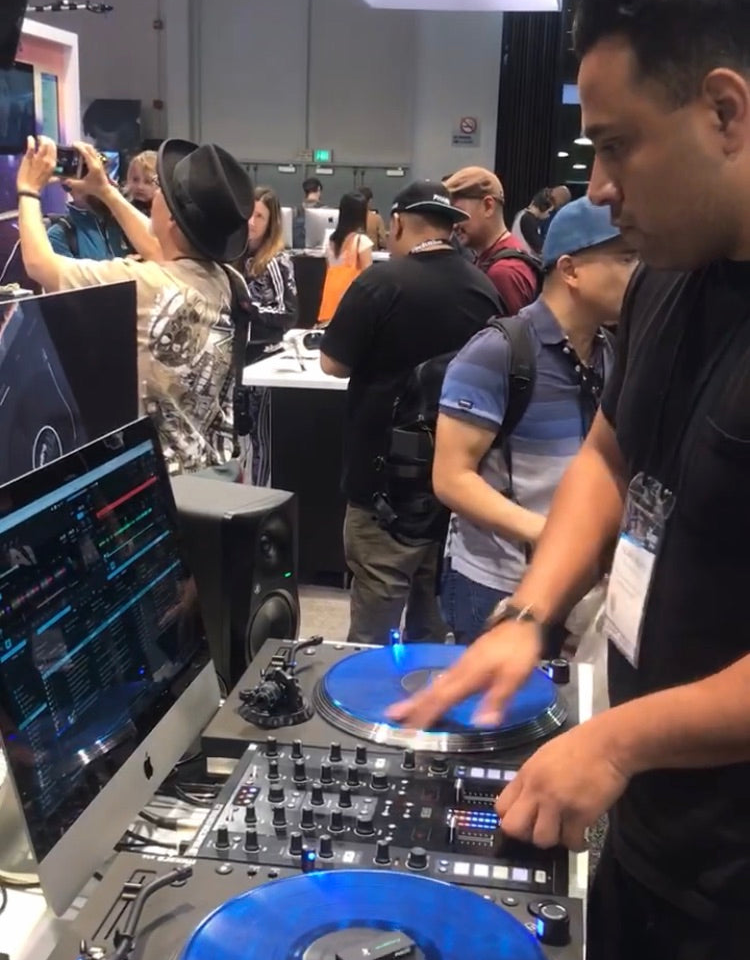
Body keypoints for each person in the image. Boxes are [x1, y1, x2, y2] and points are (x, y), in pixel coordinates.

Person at [390, 0, 750, 960]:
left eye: (613, 144)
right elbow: (610, 447)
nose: (593, 181)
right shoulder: (667, 276)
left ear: (724, 109)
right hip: (659, 805)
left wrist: (625, 736)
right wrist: (529, 615)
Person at [436, 197, 634, 644]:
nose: (639, 273)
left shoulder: (609, 353)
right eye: (625, 258)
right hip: (496, 582)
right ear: (570, 270)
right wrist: (551, 535)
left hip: (580, 580)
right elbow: (451, 478)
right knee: (496, 709)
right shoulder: (498, 352)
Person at [320, 180, 501, 645]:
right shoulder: (483, 288)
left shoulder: (380, 282)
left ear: (397, 222)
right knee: (432, 629)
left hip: (382, 494)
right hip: (451, 489)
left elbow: (332, 363)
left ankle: (365, 711)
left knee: (370, 634)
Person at [17, 134, 253, 475]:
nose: (153, 194)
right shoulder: (230, 281)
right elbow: (165, 248)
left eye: (161, 190)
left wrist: (27, 189)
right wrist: (106, 191)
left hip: (166, 487)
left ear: (171, 217)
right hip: (217, 473)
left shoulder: (142, 284)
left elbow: (40, 263)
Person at [243, 185, 298, 486]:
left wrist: (248, 312)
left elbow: (287, 314)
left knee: (262, 442)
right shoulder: (233, 256)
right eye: (248, 214)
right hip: (239, 360)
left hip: (262, 364)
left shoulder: (276, 261)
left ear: (271, 222)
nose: (251, 222)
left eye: (259, 216)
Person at [445, 166, 539, 313]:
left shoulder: (504, 272)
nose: (454, 225)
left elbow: (513, 335)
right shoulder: (491, 258)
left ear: (488, 206)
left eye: (459, 213)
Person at [47, 175, 131, 262]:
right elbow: (71, 275)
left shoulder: (123, 222)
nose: (96, 184)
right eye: (86, 177)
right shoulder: (58, 236)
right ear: (68, 185)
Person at [326, 192, 373, 270]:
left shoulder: (331, 240)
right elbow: (367, 274)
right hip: (353, 281)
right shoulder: (361, 241)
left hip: (332, 281)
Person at [511, 188, 554, 255]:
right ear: (543, 207)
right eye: (549, 212)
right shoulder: (528, 220)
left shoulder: (521, 214)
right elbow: (539, 247)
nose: (548, 215)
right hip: (525, 258)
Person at [292, 175, 323, 248]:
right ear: (318, 189)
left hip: (298, 249)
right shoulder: (325, 211)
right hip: (317, 249)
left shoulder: (295, 211)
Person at [125, 149, 158, 215]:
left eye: (148, 182)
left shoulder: (163, 214)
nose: (140, 187)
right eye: (135, 179)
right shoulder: (123, 202)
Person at [361, 185, 387, 250]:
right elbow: (383, 241)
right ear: (370, 201)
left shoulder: (350, 217)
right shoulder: (376, 218)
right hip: (372, 255)